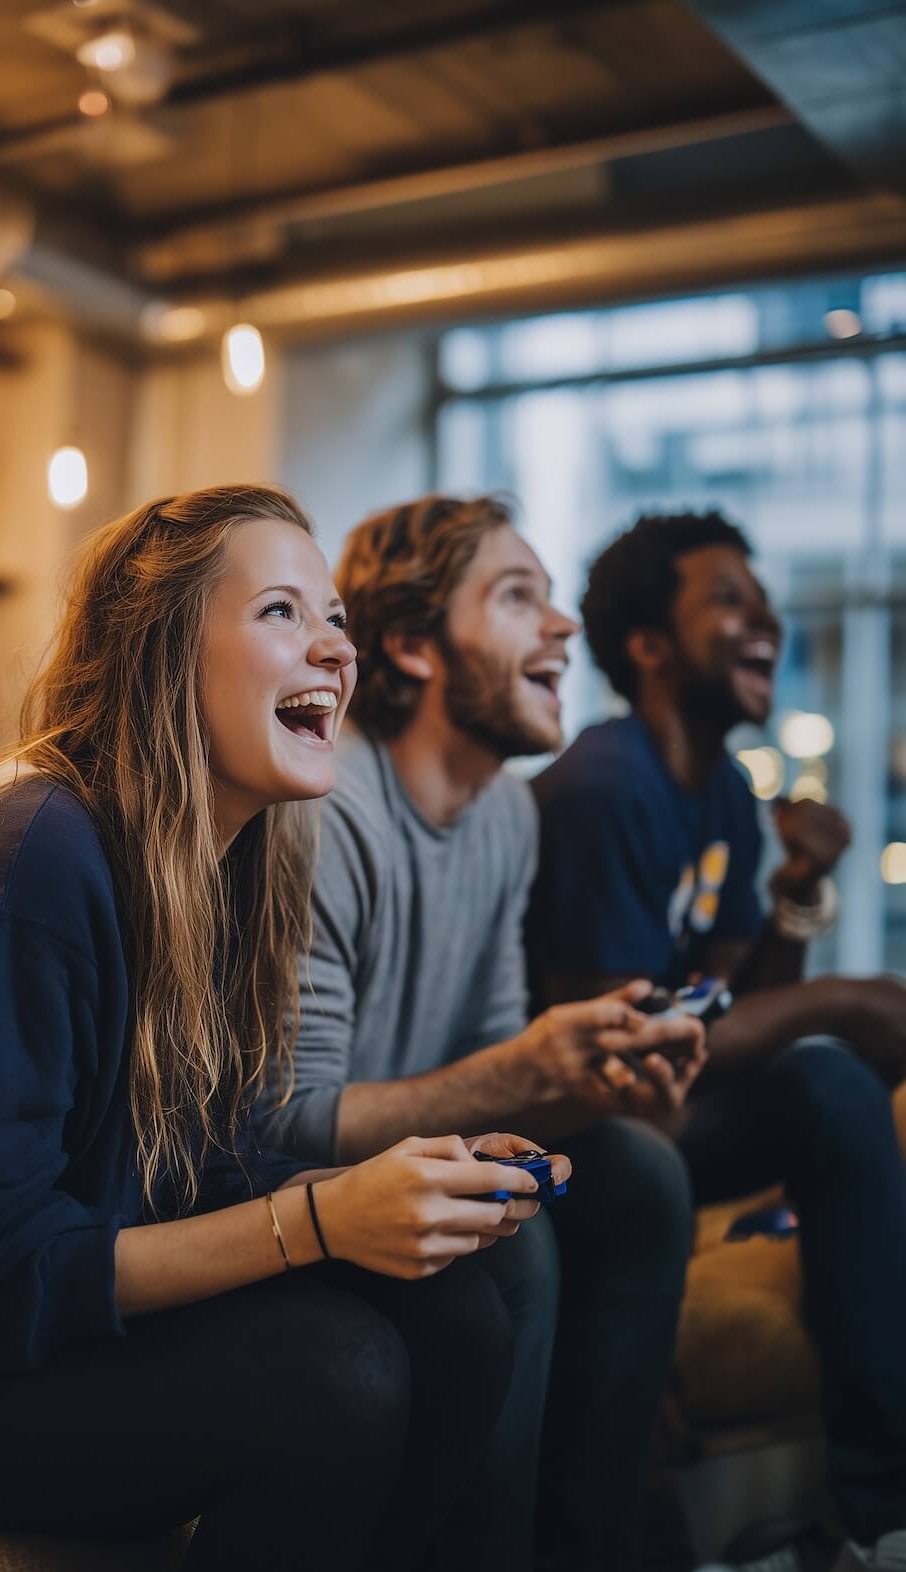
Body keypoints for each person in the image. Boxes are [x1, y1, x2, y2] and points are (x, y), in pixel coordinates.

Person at [0, 485, 567, 1572]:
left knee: (463, 1310)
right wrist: (317, 1221)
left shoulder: (230, 871)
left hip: (9, 1334)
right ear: (161, 656)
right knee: (333, 1372)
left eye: (335, 618)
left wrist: (401, 1182)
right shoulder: (30, 869)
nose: (335, 649)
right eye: (281, 612)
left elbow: (192, 1171)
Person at [260, 493, 709, 1572]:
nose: (562, 626)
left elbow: (495, 1056)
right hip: (296, 1187)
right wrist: (525, 1067)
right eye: (517, 597)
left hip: (420, 1157)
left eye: (551, 600)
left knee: (640, 1172)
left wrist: (596, 1079)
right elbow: (285, 1120)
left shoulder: (508, 813)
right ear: (413, 647)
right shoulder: (327, 810)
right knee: (518, 1238)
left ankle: (589, 1549)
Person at [526, 510, 906, 1572]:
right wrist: (839, 1001)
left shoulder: (728, 799)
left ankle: (879, 1523)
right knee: (829, 1059)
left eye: (764, 599)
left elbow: (735, 1009)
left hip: (670, 1111)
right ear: (650, 645)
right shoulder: (605, 786)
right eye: (730, 600)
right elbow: (612, 1045)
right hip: (575, 1130)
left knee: (826, 1083)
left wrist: (798, 897)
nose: (766, 621)